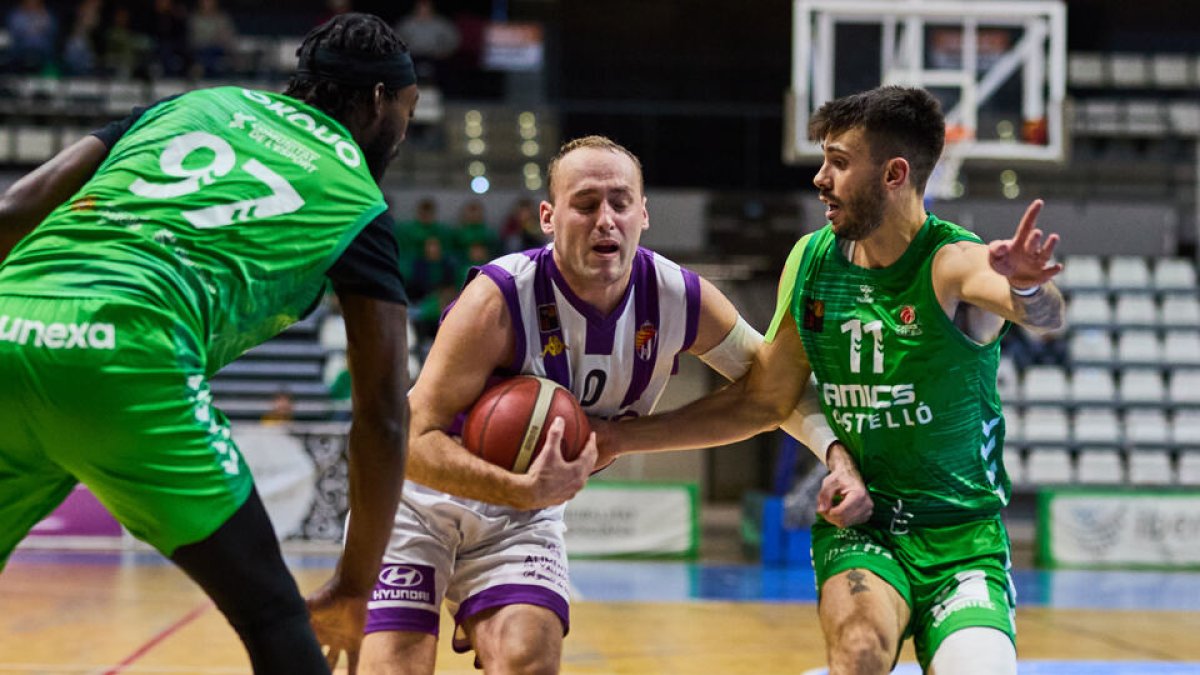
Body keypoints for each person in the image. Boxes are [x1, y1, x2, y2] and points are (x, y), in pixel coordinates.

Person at [0, 12, 419, 674]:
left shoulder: (194, 104)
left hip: (7, 325)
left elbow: (15, 210)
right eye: (406, 111)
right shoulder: (356, 196)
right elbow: (386, 416)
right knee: (274, 615)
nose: (403, 130)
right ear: (377, 102)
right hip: (126, 353)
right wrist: (353, 586)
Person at [598, 86, 1066, 675]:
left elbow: (1043, 315)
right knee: (860, 651)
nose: (821, 178)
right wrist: (619, 437)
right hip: (863, 527)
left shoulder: (952, 261)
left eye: (839, 163)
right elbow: (766, 398)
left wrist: (1025, 286)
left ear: (894, 174)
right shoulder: (814, 260)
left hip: (962, 538)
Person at [353, 134, 848, 674]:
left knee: (528, 658)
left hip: (521, 515)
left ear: (644, 213)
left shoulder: (679, 298)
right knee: (393, 668)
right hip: (422, 503)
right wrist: (517, 487)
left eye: (620, 202)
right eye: (585, 204)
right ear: (548, 216)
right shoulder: (497, 299)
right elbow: (409, 441)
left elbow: (769, 398)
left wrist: (837, 457)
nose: (605, 219)